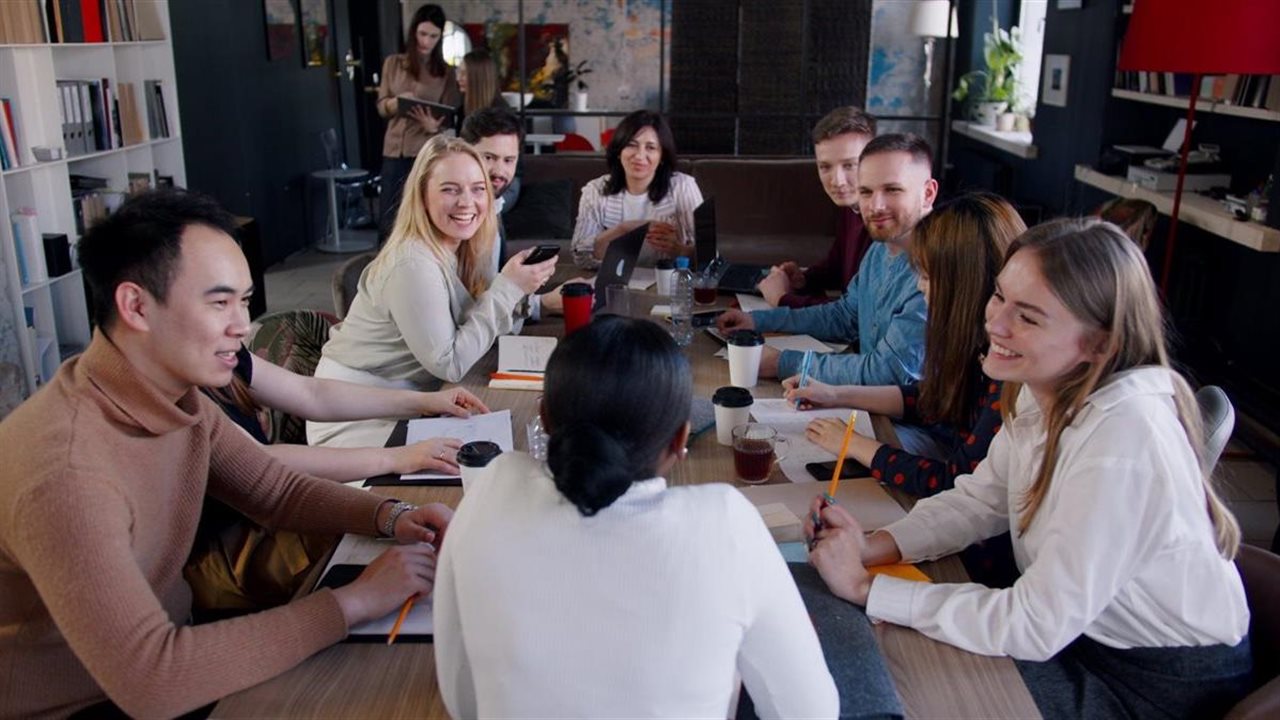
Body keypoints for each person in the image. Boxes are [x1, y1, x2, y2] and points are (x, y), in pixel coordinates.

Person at [0, 189, 452, 718]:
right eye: (220, 302)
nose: (243, 323)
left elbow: (273, 490)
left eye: (243, 299)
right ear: (136, 306)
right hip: (87, 703)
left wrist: (390, 516)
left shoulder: (176, 396)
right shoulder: (66, 472)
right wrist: (353, 603)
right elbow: (153, 681)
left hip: (171, 648)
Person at [806, 218, 1252, 719]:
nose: (994, 324)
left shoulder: (1122, 444)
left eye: (1029, 317)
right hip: (1078, 633)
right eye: (999, 297)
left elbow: (1033, 625)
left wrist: (868, 588)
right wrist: (874, 545)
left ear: (1099, 344)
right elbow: (982, 498)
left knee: (907, 684)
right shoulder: (1047, 386)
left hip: (1150, 685)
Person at [433, 316, 837, 718]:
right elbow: (810, 712)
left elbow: (463, 702)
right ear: (681, 439)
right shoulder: (726, 525)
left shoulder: (491, 491)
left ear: (545, 418)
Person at [309, 135, 558, 448]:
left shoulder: (459, 248)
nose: (467, 202)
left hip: (415, 402)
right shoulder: (412, 262)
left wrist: (520, 292)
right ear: (422, 197)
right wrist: (508, 288)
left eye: (477, 189)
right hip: (356, 419)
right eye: (450, 189)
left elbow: (481, 330)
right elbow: (450, 363)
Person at [785, 192, 1025, 498]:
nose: (918, 285)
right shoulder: (976, 343)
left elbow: (956, 482)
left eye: (926, 275)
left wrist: (854, 444)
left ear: (962, 283)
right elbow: (933, 398)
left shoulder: (1006, 371)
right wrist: (834, 394)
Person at [716, 133, 936, 387]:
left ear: (928, 193)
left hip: (901, 423)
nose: (875, 206)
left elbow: (887, 372)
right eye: (865, 192)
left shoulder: (937, 268)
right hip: (862, 402)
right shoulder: (880, 248)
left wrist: (781, 363)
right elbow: (843, 316)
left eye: (892, 190)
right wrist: (756, 320)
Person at [460, 107, 587, 319]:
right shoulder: (459, 218)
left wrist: (537, 299)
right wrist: (542, 304)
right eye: (489, 157)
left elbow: (488, 293)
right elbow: (467, 311)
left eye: (508, 160)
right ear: (465, 153)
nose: (499, 171)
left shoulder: (495, 207)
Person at [757, 107, 877, 308]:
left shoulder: (884, 222)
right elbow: (837, 270)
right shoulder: (851, 208)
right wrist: (803, 279)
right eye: (825, 167)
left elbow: (856, 316)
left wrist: (783, 300)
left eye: (849, 165)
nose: (837, 181)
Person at [570, 110, 704, 269]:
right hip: (612, 284)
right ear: (619, 151)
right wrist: (624, 228)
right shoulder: (595, 190)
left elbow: (708, 257)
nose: (640, 156)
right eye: (631, 145)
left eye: (651, 147)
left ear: (662, 156)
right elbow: (581, 257)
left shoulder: (683, 187)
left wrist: (679, 250)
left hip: (667, 284)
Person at [375, 4, 461, 242]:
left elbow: (449, 116)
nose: (427, 41)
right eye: (423, 34)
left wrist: (433, 127)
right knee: (388, 216)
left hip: (424, 149)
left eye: (433, 36)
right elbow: (381, 106)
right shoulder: (393, 63)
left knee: (420, 214)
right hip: (393, 148)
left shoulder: (445, 72)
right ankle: (382, 270)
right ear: (414, 32)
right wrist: (396, 103)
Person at [457, 49, 508, 125]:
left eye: (464, 74)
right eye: (458, 72)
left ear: (479, 77)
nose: (458, 78)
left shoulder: (499, 116)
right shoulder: (462, 108)